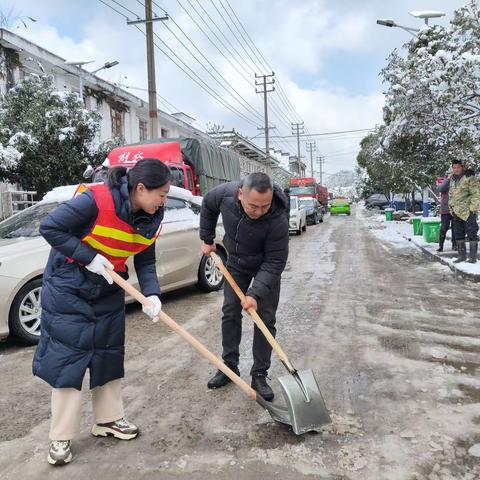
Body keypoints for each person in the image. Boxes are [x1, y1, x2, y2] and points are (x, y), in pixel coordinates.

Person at [32, 159, 171, 466]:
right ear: (140, 188)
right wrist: (89, 257)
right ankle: (61, 436)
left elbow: (145, 262)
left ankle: (108, 420)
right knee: (69, 357)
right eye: (161, 194)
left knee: (108, 352)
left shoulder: (150, 218)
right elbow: (50, 227)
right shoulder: (96, 199)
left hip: (108, 287)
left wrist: (152, 295)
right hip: (69, 285)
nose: (164, 201)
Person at [199, 172, 289, 402]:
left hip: (265, 268)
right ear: (240, 194)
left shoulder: (278, 217)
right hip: (236, 263)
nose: (259, 212)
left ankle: (259, 374)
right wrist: (207, 238)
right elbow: (208, 203)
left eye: (264, 206)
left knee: (264, 319)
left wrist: (255, 294)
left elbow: (275, 262)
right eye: (253, 206)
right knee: (230, 311)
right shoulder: (226, 194)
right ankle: (229, 366)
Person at [448, 160, 480, 264]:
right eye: (454, 167)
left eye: (458, 167)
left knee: (472, 233)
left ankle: (472, 258)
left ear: (462, 167)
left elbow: (476, 193)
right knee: (458, 234)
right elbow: (451, 194)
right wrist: (451, 207)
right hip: (456, 211)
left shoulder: (469, 177)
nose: (456, 169)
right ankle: (461, 256)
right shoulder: (452, 179)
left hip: (468, 211)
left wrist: (473, 209)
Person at [437, 172, 456, 252]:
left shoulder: (457, 182)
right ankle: (441, 246)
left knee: (455, 228)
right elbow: (441, 188)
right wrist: (448, 179)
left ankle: (455, 245)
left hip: (455, 209)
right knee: (443, 228)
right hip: (445, 209)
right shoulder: (444, 181)